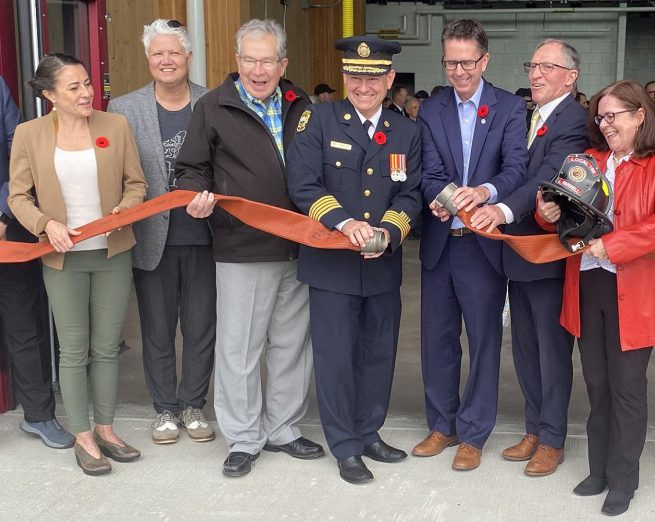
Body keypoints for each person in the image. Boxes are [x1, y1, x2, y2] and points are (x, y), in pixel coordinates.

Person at [174, 19, 324, 478]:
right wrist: (196, 199)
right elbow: (192, 168)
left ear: (283, 63)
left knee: (291, 347)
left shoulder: (305, 107)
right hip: (241, 247)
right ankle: (242, 437)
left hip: (300, 245)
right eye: (250, 59)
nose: (259, 69)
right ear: (237, 61)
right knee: (239, 350)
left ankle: (283, 429)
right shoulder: (212, 106)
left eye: (268, 60)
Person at [538, 79, 655, 516]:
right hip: (588, 283)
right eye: (599, 117)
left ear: (640, 115)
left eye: (612, 116)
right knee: (597, 384)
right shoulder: (588, 161)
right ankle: (599, 470)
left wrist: (616, 245)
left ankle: (623, 479)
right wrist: (547, 213)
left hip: (636, 288)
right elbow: (565, 214)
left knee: (626, 388)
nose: (603, 125)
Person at [286, 35, 422, 485]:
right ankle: (344, 446)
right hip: (332, 264)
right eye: (354, 76)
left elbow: (412, 191)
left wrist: (389, 229)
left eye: (372, 78)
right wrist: (345, 223)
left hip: (382, 263)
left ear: (389, 80)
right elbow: (303, 185)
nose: (362, 86)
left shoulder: (406, 130)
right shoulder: (317, 120)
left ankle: (369, 433)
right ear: (345, 78)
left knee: (378, 354)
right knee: (336, 358)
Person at [9, 53, 147, 475]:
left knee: (106, 348)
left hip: (112, 252)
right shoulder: (28, 134)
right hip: (61, 257)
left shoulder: (114, 126)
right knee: (73, 350)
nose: (87, 92)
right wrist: (45, 224)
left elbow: (136, 184)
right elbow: (17, 197)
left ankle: (106, 429)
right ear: (50, 95)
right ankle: (82, 436)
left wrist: (120, 213)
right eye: (74, 87)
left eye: (87, 82)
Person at [413, 18, 527, 471]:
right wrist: (443, 201)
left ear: (485, 59)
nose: (458, 71)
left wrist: (483, 193)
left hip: (483, 245)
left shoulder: (508, 109)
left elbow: (516, 167)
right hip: (442, 241)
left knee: (483, 341)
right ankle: (442, 425)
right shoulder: (434, 108)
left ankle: (474, 433)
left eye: (466, 62)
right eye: (450, 62)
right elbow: (428, 171)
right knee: (437, 340)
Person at [470, 39, 588, 476]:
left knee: (550, 353)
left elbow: (544, 178)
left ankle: (553, 439)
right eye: (531, 65)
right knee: (525, 349)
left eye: (546, 67)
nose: (534, 74)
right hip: (519, 255)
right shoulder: (529, 115)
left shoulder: (573, 120)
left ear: (570, 77)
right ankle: (535, 428)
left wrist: (500, 209)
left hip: (547, 256)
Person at [108, 19, 215, 445]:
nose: (166, 60)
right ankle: (164, 409)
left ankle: (193, 405)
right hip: (152, 238)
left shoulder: (213, 102)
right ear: (148, 59)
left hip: (205, 236)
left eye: (174, 53)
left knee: (201, 326)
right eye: (158, 53)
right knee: (156, 328)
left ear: (188, 58)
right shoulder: (125, 109)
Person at [0, 75, 75, 450]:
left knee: (23, 324)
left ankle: (38, 415)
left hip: (8, 229)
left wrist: (2, 213)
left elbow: (19, 151)